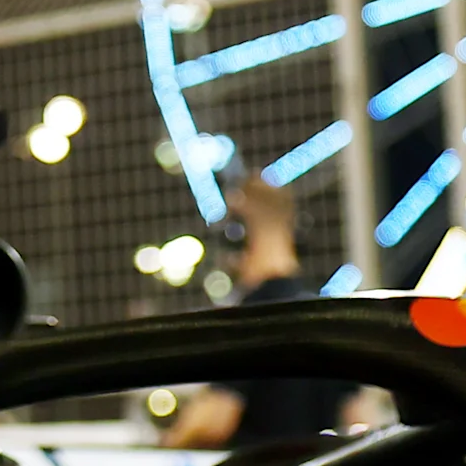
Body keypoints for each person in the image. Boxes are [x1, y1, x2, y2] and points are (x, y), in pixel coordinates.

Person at [162, 172, 382, 450]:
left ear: (236, 237)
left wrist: (168, 444)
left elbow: (214, 421)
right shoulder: (326, 317)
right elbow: (361, 419)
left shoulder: (248, 319)